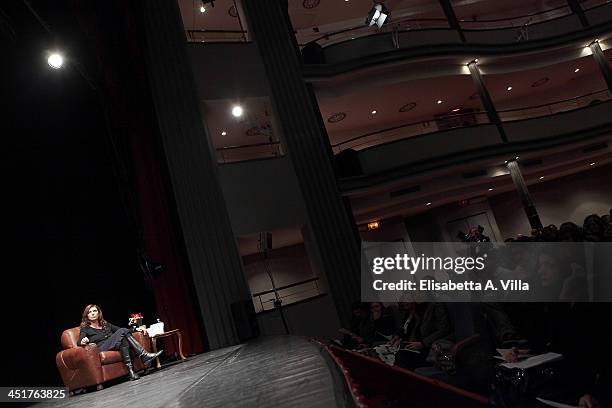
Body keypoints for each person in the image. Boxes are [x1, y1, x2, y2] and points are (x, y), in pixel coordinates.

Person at [78, 304, 162, 380]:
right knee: (122, 331)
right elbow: (79, 342)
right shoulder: (85, 328)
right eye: (89, 312)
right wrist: (83, 341)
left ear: (98, 313)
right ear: (87, 315)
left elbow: (119, 330)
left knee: (124, 340)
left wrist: (136, 329)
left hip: (113, 345)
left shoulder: (105, 324)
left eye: (94, 311)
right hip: (101, 348)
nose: (92, 313)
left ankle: (131, 372)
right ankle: (144, 355)